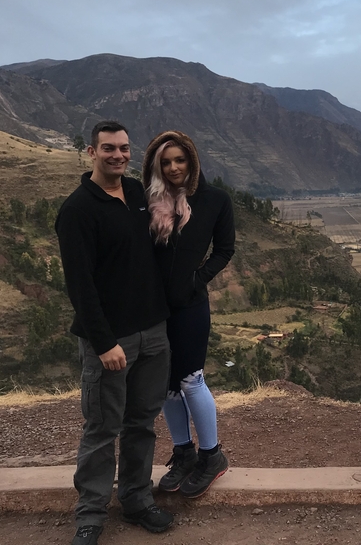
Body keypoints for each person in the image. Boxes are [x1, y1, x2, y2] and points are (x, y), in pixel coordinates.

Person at [56, 121, 173, 545]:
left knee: (142, 423)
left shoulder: (138, 194)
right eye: (108, 148)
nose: (118, 155)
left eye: (123, 148)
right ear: (91, 152)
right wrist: (104, 342)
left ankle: (137, 499)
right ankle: (90, 515)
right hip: (110, 341)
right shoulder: (77, 210)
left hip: (153, 333)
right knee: (102, 428)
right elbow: (80, 285)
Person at [142, 130, 235, 498]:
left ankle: (212, 456)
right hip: (154, 307)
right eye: (165, 162)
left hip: (191, 306)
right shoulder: (147, 200)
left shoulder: (215, 200)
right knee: (165, 384)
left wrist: (197, 280)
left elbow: (225, 249)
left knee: (191, 380)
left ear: (192, 161)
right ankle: (184, 454)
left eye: (179, 160)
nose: (173, 167)